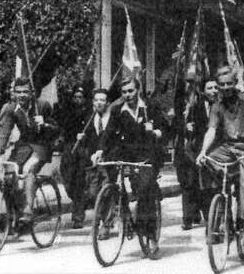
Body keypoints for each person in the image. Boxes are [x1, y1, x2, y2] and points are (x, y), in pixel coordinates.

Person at [196, 66, 244, 247]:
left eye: (230, 83)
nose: (226, 87)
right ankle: (221, 209)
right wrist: (203, 152)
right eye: (222, 84)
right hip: (228, 148)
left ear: (235, 83)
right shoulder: (217, 105)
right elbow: (212, 130)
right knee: (207, 163)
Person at [95, 77, 165, 258]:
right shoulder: (118, 110)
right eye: (124, 92)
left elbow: (166, 127)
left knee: (145, 189)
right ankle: (124, 215)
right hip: (128, 153)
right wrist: (100, 150)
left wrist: (157, 132)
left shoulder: (150, 106)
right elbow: (109, 132)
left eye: (131, 91)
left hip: (149, 154)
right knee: (115, 179)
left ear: (138, 90)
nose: (128, 95)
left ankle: (150, 235)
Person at [0, 77, 59, 223]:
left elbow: (57, 129)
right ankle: (15, 214)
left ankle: (29, 209)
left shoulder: (42, 106)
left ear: (32, 93)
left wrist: (45, 124)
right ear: (14, 93)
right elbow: (5, 131)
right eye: (18, 92)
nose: (22, 95)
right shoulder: (12, 109)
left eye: (25, 92)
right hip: (23, 146)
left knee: (28, 169)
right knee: (9, 176)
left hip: (42, 146)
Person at [173, 79, 219, 230]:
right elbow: (174, 125)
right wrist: (185, 127)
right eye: (209, 88)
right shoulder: (194, 107)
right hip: (191, 150)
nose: (214, 91)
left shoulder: (222, 105)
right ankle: (188, 217)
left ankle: (211, 218)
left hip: (215, 151)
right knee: (189, 184)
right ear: (203, 91)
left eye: (215, 87)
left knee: (209, 186)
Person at [75, 89, 113, 224]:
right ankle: (103, 215)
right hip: (94, 160)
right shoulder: (89, 118)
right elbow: (89, 140)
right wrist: (81, 138)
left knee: (107, 190)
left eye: (102, 100)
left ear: (108, 103)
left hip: (110, 159)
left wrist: (105, 152)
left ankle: (105, 223)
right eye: (96, 100)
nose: (99, 103)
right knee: (93, 192)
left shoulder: (114, 117)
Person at [58, 85, 91, 228]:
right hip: (69, 149)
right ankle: (81, 201)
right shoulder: (67, 112)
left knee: (79, 182)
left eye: (81, 97)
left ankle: (78, 216)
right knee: (67, 181)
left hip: (82, 150)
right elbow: (63, 129)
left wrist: (84, 136)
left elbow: (92, 131)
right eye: (75, 97)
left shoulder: (90, 113)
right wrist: (72, 135)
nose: (78, 100)